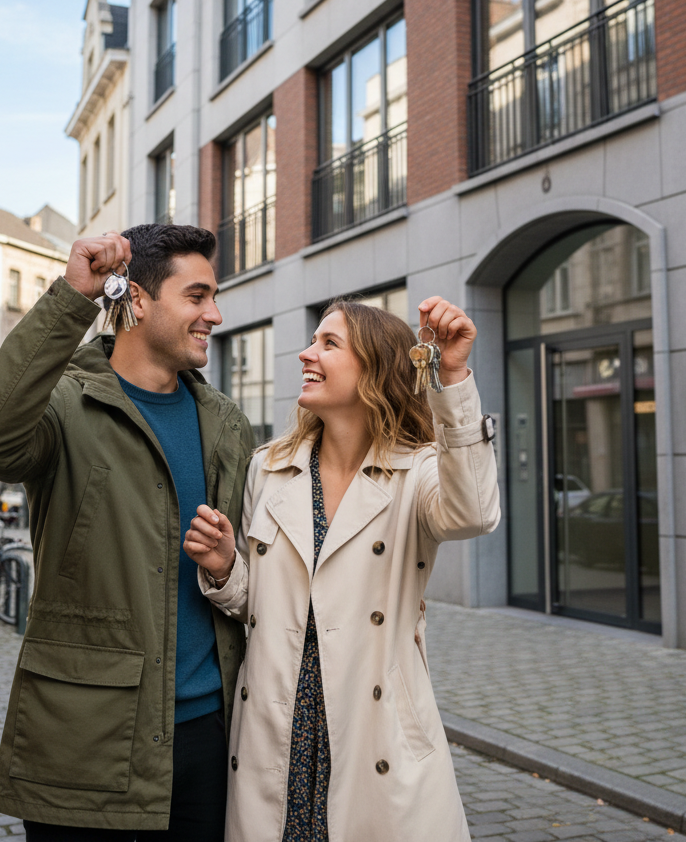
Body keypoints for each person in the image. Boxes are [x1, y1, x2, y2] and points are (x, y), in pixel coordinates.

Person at [0, 225, 255, 841]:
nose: (214, 315)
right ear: (138, 300)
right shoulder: (64, 404)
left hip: (211, 739)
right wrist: (72, 297)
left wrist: (226, 567)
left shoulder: (226, 422)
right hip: (86, 742)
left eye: (213, 297)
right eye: (197, 297)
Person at [184, 295, 500, 842]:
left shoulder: (418, 469)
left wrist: (451, 376)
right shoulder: (270, 467)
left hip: (372, 728)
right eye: (313, 340)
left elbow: (474, 512)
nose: (307, 354)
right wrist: (224, 567)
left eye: (329, 343)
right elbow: (257, 606)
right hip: (278, 725)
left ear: (374, 368)